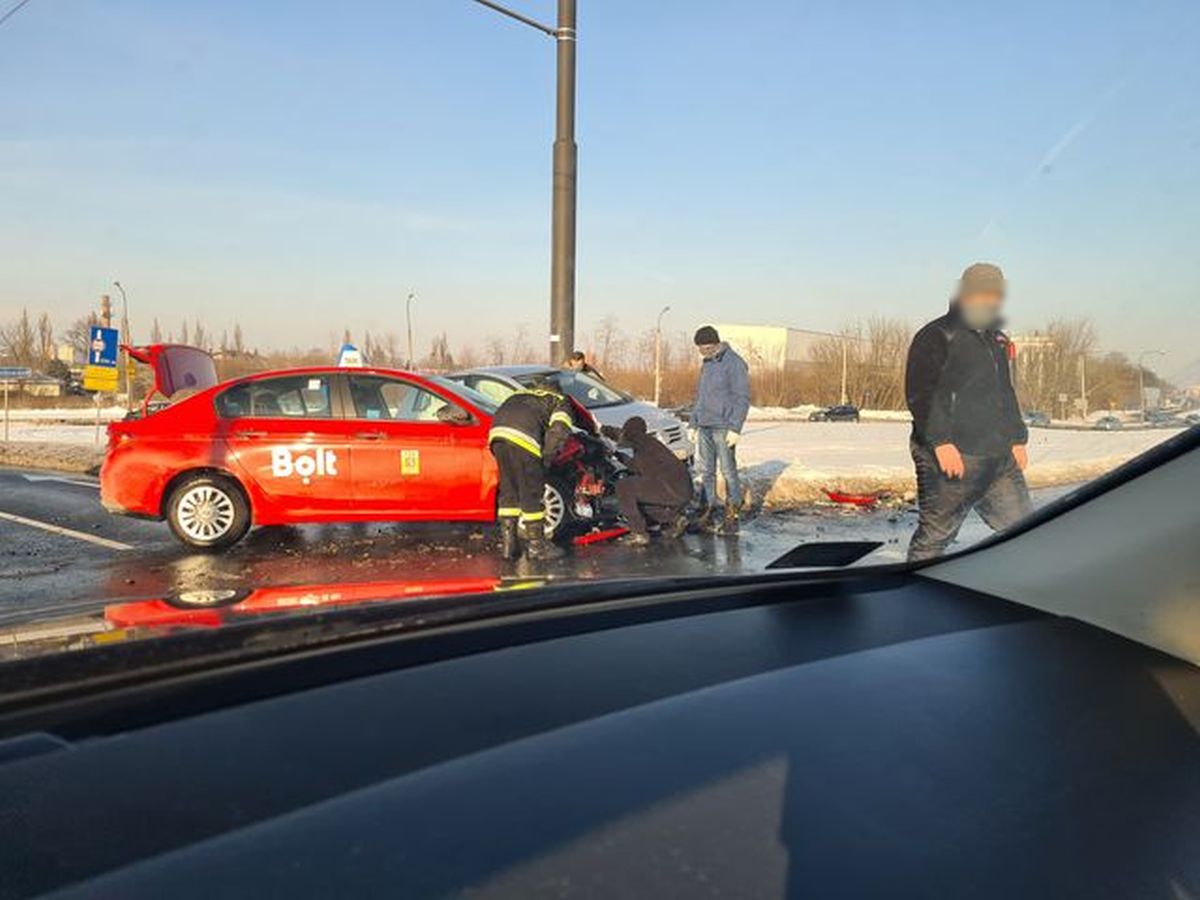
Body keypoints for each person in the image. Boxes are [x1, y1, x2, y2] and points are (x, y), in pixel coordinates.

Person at [905, 262, 1032, 561]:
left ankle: (1032, 592)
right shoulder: (937, 334)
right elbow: (922, 393)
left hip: (999, 457)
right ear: (966, 294)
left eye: (996, 295)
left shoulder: (996, 339)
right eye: (983, 294)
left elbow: (1005, 391)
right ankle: (917, 596)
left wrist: (1017, 437)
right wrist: (940, 441)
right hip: (954, 455)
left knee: (1027, 530)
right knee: (934, 539)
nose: (991, 302)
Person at [488, 378, 575, 561]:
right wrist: (546, 459)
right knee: (531, 491)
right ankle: (537, 547)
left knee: (509, 490)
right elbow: (558, 431)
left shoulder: (520, 394)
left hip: (497, 437)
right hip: (523, 438)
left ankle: (509, 546)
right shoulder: (560, 401)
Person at [690, 325, 750, 535]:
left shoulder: (733, 363)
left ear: (715, 343)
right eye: (700, 349)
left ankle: (732, 512)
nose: (703, 352)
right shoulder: (706, 364)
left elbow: (742, 398)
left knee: (728, 471)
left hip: (724, 426)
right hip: (705, 425)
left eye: (706, 348)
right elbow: (701, 397)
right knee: (707, 471)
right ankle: (707, 509)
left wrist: (736, 428)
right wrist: (693, 422)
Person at [614, 416, 694, 546]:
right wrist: (620, 456)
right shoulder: (649, 443)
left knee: (624, 487)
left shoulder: (641, 441)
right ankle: (675, 519)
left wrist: (617, 446)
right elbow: (640, 466)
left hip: (670, 488)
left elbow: (638, 468)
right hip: (682, 488)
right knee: (640, 503)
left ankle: (639, 533)